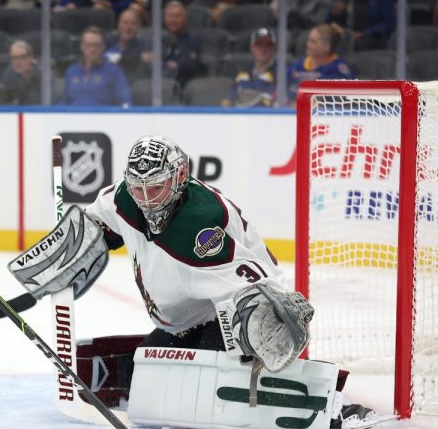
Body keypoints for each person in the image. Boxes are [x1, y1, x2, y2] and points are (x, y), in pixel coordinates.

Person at [33, 134, 383, 428]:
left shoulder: (202, 228)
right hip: (183, 318)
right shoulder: (125, 197)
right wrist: (79, 243)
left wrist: (259, 323)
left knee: (209, 395)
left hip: (229, 310)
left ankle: (334, 408)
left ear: (179, 176)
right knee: (146, 381)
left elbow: (253, 285)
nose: (145, 199)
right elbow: (101, 221)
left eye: (155, 187)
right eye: (137, 189)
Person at [61, 26, 132, 107]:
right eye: (89, 45)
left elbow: (125, 103)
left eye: (97, 45)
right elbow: (65, 102)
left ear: (103, 47)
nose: (93, 49)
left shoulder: (114, 72)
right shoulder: (72, 71)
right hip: (73, 118)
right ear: (82, 46)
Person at [287, 23, 354, 102]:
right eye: (308, 40)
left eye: (313, 42)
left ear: (327, 47)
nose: (308, 44)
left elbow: (344, 98)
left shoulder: (338, 69)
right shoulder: (297, 64)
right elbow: (281, 87)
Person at [222, 27, 277, 108]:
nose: (263, 49)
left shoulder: (282, 74)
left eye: (268, 45)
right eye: (259, 44)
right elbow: (228, 100)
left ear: (274, 48)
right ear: (252, 48)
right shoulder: (243, 74)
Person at [162, 1, 204, 91]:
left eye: (177, 16)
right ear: (165, 19)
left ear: (185, 19)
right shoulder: (159, 42)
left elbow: (188, 67)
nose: (173, 20)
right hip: (160, 89)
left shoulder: (192, 43)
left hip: (182, 89)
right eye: (170, 16)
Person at [328, 0, 395, 51]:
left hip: (373, 38)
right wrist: (335, 15)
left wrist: (363, 33)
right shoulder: (347, 0)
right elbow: (341, 22)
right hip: (348, 35)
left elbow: (388, 24)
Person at [104, 8, 151, 83]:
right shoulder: (108, 42)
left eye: (133, 23)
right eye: (125, 23)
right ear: (118, 25)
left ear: (139, 27)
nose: (128, 27)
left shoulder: (144, 47)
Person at [2, 40, 41, 105]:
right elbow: (6, 101)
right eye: (14, 58)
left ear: (31, 58)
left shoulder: (44, 75)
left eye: (22, 57)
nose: (18, 61)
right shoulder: (9, 73)